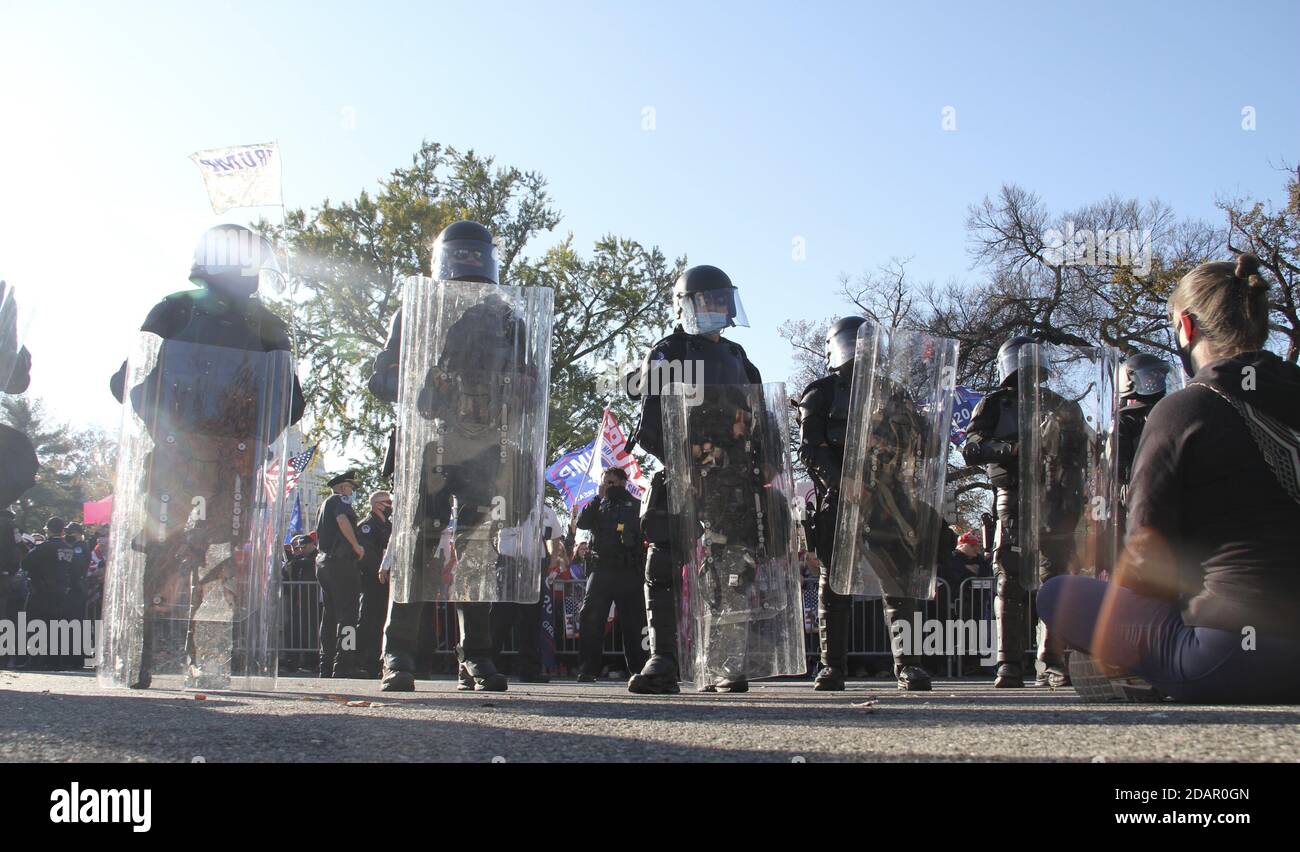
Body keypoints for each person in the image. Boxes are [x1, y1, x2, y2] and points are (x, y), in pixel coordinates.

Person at [1039, 254, 1300, 703]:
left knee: (1058, 594)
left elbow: (1146, 551)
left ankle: (1139, 671)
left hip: (1233, 655)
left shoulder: (1185, 409)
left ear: (1186, 325)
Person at [106, 224, 305, 689]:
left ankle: (160, 655)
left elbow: (127, 383)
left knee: (193, 553)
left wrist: (174, 426)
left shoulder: (183, 310)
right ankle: (185, 657)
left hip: (202, 455)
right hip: (209, 455)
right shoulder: (184, 310)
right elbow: (133, 379)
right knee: (204, 555)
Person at [370, 220, 550, 693]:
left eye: (476, 256)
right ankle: (398, 655)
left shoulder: (508, 316)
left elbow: (532, 384)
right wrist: (431, 385)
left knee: (476, 555)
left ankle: (476, 657)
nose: (470, 264)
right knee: (418, 551)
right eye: (464, 255)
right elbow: (383, 380)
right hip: (433, 444)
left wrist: (522, 388)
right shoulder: (416, 311)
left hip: (488, 449)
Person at [625, 264, 772, 695]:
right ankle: (663, 659)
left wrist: (766, 462)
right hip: (684, 475)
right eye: (707, 300)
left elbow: (760, 421)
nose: (716, 308)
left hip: (732, 483)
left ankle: (726, 663)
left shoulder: (741, 360)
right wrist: (688, 459)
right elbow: (650, 426)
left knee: (733, 571)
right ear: (687, 305)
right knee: (664, 563)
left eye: (722, 300)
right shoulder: (669, 353)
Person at [797, 315, 940, 691]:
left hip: (888, 499)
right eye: (855, 344)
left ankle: (908, 664)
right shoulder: (822, 392)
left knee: (899, 583)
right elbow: (810, 448)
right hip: (841, 501)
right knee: (834, 585)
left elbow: (922, 443)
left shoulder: (894, 393)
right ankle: (831, 666)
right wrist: (840, 481)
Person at [962, 334, 1086, 688]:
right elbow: (971, 448)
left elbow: (1081, 453)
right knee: (1010, 577)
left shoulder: (1062, 405)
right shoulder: (994, 404)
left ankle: (1052, 661)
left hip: (1055, 498)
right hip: (1012, 495)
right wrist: (1012, 449)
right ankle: (1009, 664)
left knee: (1056, 578)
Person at [575, 468, 649, 682]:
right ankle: (588, 669)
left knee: (633, 622)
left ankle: (638, 670)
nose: (609, 486)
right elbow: (582, 523)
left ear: (624, 483)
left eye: (613, 482)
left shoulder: (637, 505)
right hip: (602, 569)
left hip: (628, 570)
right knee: (591, 618)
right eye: (605, 482)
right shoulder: (598, 505)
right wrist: (597, 497)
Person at [490, 501, 564, 682]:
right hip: (509, 564)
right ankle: (488, 665)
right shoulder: (504, 504)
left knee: (531, 620)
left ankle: (529, 670)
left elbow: (555, 536)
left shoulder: (546, 510)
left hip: (533, 567)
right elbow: (489, 533)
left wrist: (552, 560)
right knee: (501, 618)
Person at [314, 471, 365, 678]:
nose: (351, 492)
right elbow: (343, 520)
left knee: (329, 614)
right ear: (343, 487)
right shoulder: (339, 501)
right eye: (351, 488)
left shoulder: (324, 505)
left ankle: (326, 664)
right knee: (349, 615)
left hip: (324, 563)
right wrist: (356, 545)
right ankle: (344, 663)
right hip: (342, 563)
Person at [20, 517, 74, 670]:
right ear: (62, 530)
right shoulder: (68, 548)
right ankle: (55, 662)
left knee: (34, 625)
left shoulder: (45, 547)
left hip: (41, 592)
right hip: (61, 592)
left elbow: (26, 563)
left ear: (48, 529)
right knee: (56, 626)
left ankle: (35, 660)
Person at [355, 491, 392, 679]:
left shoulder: (389, 526)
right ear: (377, 504)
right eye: (388, 502)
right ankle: (363, 661)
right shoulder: (367, 526)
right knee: (369, 620)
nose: (390, 506)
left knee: (383, 621)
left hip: (388, 582)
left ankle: (380, 663)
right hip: (372, 581)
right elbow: (366, 555)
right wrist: (381, 569)